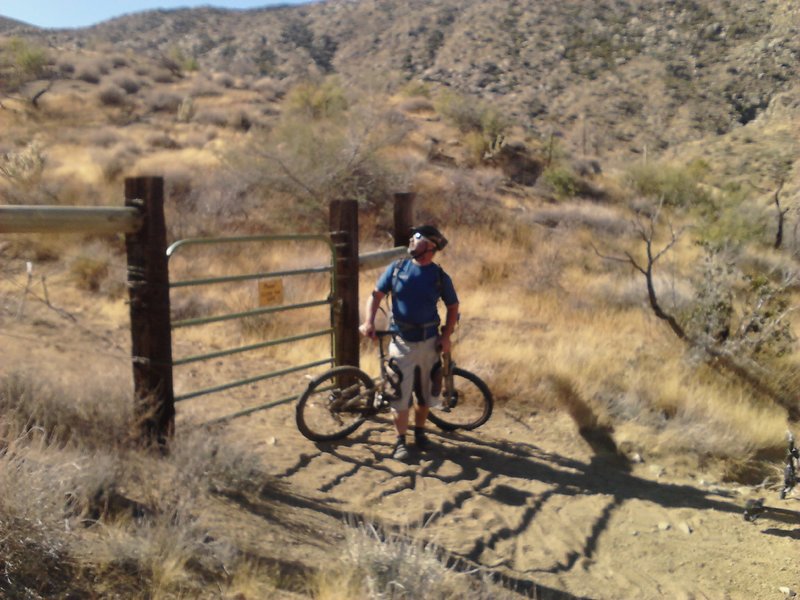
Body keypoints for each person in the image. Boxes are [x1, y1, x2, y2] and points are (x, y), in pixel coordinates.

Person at [359, 225, 459, 460]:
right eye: (413, 238)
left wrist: (446, 337)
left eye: (418, 239)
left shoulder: (439, 276)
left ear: (431, 248)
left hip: (429, 343)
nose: (413, 242)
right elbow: (375, 296)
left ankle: (420, 433)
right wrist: (368, 322)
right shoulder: (397, 269)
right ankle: (400, 441)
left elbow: (453, 307)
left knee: (425, 394)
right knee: (398, 394)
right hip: (401, 342)